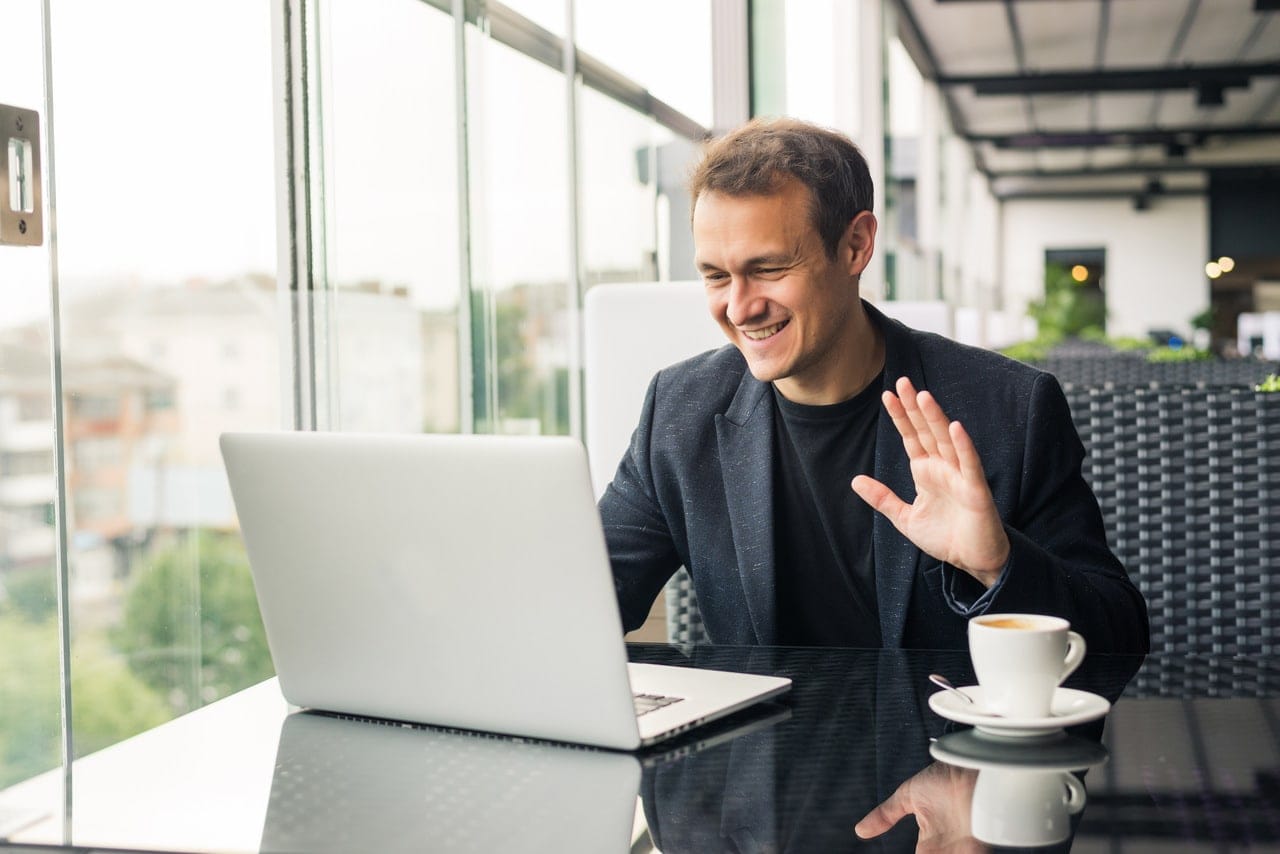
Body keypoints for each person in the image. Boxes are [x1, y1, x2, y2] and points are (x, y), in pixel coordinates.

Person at [598, 117, 1149, 653]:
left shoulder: (1008, 408)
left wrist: (999, 564)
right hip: (761, 745)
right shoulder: (679, 410)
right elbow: (588, 599)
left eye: (768, 269)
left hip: (946, 744)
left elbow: (1120, 637)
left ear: (856, 246)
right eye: (716, 276)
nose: (739, 307)